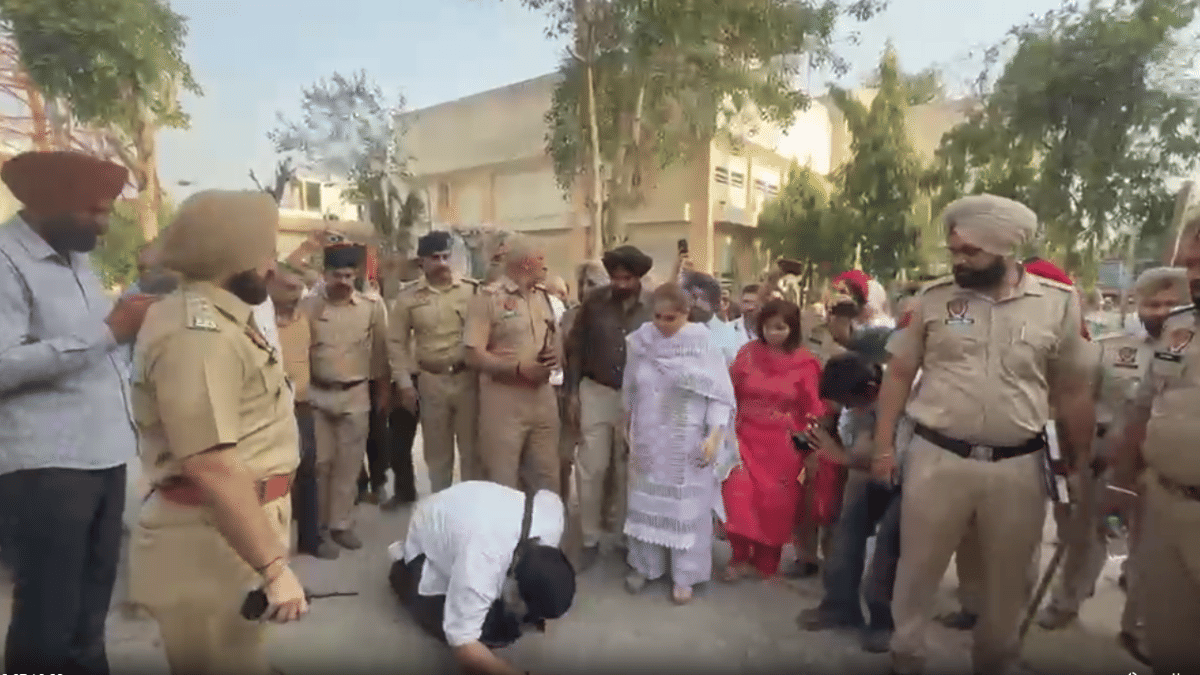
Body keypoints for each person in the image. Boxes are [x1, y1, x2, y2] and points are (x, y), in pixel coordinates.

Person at [874, 194, 1095, 675]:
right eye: (954, 251)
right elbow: (897, 374)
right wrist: (883, 446)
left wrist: (1080, 464)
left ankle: (995, 660)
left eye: (970, 252)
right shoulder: (932, 300)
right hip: (937, 459)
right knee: (917, 571)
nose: (958, 261)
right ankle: (905, 655)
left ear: (1005, 249)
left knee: (1008, 579)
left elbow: (1074, 389)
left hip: (1019, 467)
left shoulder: (1058, 306)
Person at [129, 190, 308, 675]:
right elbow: (209, 462)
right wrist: (274, 567)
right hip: (206, 536)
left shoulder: (224, 319)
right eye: (266, 254)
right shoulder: (198, 334)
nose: (273, 267)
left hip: (228, 528)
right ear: (236, 259)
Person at [0, 151, 147, 675]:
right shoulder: (5, 260)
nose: (104, 226)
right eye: (95, 212)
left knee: (90, 610)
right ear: (49, 205)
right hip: (46, 466)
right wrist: (109, 331)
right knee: (47, 614)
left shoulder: (74, 257)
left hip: (101, 453)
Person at [1037, 267, 1186, 648]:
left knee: (1148, 554)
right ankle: (1065, 602)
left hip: (1160, 474)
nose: (1162, 311)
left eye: (1171, 303)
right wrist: (1078, 455)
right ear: (1137, 305)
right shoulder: (1114, 348)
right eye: (1153, 303)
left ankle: (1137, 625)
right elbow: (1083, 401)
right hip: (1108, 467)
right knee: (1087, 536)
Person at [1107, 215, 1200, 674]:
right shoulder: (1179, 329)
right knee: (1170, 644)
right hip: (1163, 503)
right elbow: (1147, 403)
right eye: (1193, 264)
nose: (1196, 275)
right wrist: (1124, 479)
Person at [622, 283, 737, 605]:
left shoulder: (704, 346)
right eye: (657, 316)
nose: (662, 323)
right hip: (647, 435)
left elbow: (720, 397)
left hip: (687, 440)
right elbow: (630, 386)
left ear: (686, 314)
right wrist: (626, 423)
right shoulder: (641, 341)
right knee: (644, 503)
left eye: (670, 318)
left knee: (688, 509)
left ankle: (686, 575)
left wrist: (714, 436)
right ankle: (645, 566)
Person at [386, 481, 573, 675]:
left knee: (511, 618)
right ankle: (402, 572)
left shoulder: (552, 517)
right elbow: (463, 643)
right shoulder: (481, 561)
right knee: (493, 630)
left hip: (463, 509)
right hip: (427, 532)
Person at [798, 349, 903, 654]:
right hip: (870, 474)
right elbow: (858, 449)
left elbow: (879, 457)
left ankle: (882, 621)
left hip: (906, 478)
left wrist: (840, 456)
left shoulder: (900, 400)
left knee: (888, 548)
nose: (845, 408)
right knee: (846, 535)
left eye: (848, 403)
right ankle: (839, 605)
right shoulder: (858, 398)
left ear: (870, 392)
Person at [721, 299, 826, 581]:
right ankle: (739, 556)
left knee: (774, 503)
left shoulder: (806, 362)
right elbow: (728, 392)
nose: (774, 333)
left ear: (792, 329)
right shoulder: (747, 354)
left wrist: (809, 445)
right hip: (744, 435)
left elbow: (814, 408)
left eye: (781, 328)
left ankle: (766, 560)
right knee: (738, 491)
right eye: (768, 327)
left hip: (783, 443)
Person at [564, 245, 654, 570]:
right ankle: (589, 537)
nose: (620, 284)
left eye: (627, 278)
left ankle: (624, 537)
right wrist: (572, 393)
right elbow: (574, 348)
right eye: (615, 278)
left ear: (638, 277)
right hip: (596, 390)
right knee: (592, 466)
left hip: (640, 398)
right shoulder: (594, 303)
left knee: (628, 469)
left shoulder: (654, 306)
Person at [304, 243, 391, 550]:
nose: (343, 282)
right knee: (321, 464)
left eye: (348, 276)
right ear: (324, 275)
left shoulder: (371, 306)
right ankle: (319, 527)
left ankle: (341, 524)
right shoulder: (310, 306)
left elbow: (381, 352)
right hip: (317, 395)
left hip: (355, 395)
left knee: (348, 465)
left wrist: (383, 391)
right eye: (336, 275)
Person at [464, 234, 563, 493]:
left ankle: (543, 531)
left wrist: (556, 355)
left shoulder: (543, 297)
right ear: (525, 262)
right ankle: (507, 533)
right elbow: (473, 354)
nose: (546, 266)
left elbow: (555, 338)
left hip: (542, 400)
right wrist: (516, 369)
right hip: (504, 401)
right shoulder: (488, 299)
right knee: (503, 479)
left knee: (547, 477)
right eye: (541, 259)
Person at [389, 231, 482, 493]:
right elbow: (396, 342)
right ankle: (442, 510)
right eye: (435, 258)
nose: (442, 263)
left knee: (472, 452)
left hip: (467, 379)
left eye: (445, 257)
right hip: (431, 381)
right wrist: (405, 383)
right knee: (437, 454)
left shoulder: (471, 291)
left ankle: (470, 512)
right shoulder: (407, 298)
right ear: (422, 263)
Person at [269, 268, 338, 560]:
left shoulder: (305, 317)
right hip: (269, 409)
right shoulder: (259, 321)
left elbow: (321, 283)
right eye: (287, 288)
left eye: (298, 289)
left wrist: (304, 268)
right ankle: (271, 548)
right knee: (274, 475)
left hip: (302, 407)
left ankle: (310, 538)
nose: (295, 294)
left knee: (308, 470)